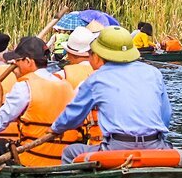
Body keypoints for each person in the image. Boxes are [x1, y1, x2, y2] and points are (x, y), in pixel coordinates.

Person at [49, 26, 174, 163]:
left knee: (69, 152)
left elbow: (73, 116)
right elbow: (166, 116)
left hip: (117, 147)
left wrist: (55, 129)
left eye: (91, 54)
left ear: (98, 56)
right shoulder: (153, 73)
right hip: (155, 145)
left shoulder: (97, 78)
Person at [0, 37, 86, 166]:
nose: (14, 64)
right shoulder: (66, 85)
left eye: (17, 60)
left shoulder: (24, 87)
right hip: (62, 160)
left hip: (32, 160)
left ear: (28, 61)